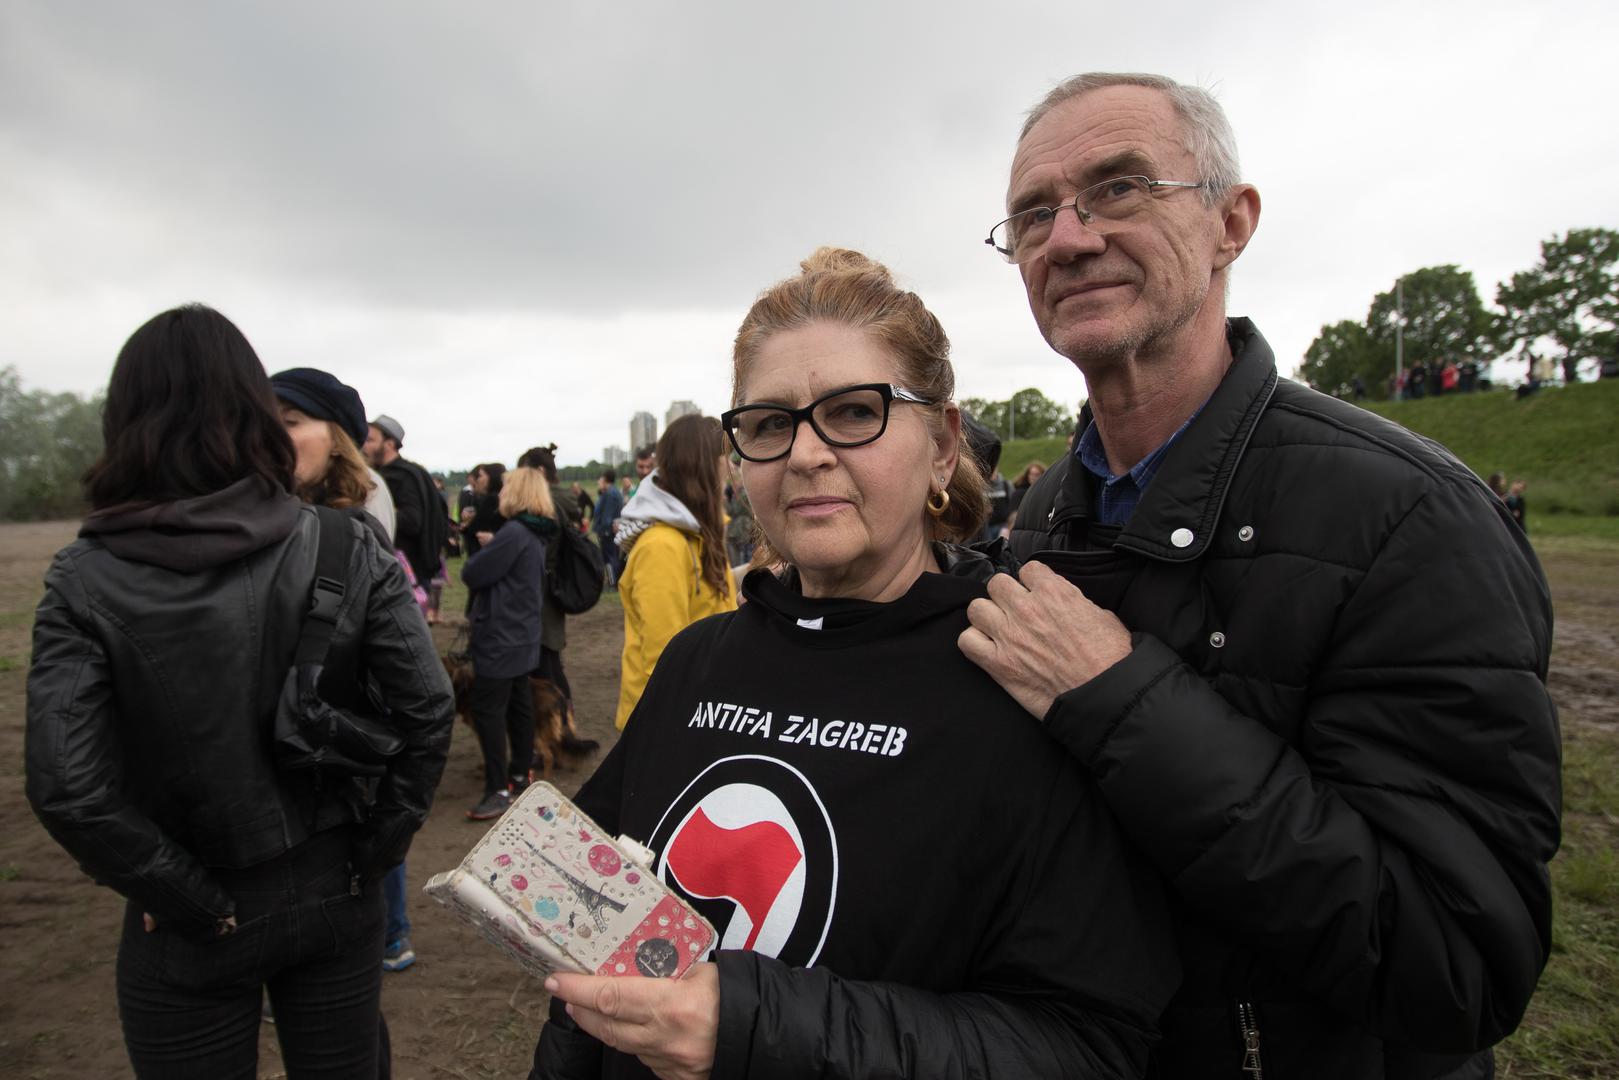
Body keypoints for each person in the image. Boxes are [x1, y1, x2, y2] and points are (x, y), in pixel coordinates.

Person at [966, 72, 1559, 1079]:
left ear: (1228, 223)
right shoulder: (1042, 511)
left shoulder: (1410, 520)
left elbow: (1454, 964)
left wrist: (1120, 701)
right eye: (1031, 214)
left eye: (1118, 189)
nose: (1064, 239)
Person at [532, 249, 1177, 1080]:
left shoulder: (1024, 681)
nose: (804, 453)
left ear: (943, 445)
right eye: (768, 423)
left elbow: (1085, 1043)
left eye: (852, 412)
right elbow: (588, 941)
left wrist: (755, 1030)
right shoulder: (699, 662)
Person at [26, 305, 453, 1079]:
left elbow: (69, 787)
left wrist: (183, 895)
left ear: (123, 421)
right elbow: (427, 709)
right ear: (253, 415)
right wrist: (374, 848)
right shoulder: (343, 539)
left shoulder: (84, 577)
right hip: (331, 883)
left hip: (191, 915)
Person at [268, 366, 422, 977]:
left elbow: (414, 688)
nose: (274, 437)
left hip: (342, 717)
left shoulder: (356, 512)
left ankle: (390, 932)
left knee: (359, 821)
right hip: (300, 718)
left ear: (335, 436)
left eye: (292, 421)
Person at [610, 415, 738, 730]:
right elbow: (664, 658)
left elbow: (703, 599)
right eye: (726, 458)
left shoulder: (696, 533)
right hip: (668, 720)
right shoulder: (662, 548)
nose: (731, 468)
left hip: (700, 705)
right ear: (705, 466)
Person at [461, 466, 557, 821]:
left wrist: (487, 550)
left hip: (501, 637)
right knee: (518, 707)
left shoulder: (515, 532)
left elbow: (472, 573)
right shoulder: (534, 532)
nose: (499, 496)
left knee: (489, 712)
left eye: (504, 491)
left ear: (517, 494)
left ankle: (498, 788)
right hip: (522, 635)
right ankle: (518, 775)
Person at [364, 413, 449, 593]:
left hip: (407, 572)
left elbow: (412, 521)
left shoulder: (403, 477)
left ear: (389, 443)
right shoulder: (387, 473)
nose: (364, 446)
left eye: (371, 440)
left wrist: (381, 510)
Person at [592, 468, 625, 586]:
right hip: (611, 530)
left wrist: (603, 530)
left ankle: (613, 582)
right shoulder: (612, 492)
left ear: (605, 479)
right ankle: (614, 581)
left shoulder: (610, 494)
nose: (599, 481)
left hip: (607, 532)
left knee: (610, 557)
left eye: (600, 478)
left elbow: (607, 515)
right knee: (612, 556)